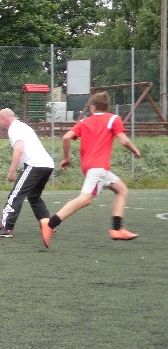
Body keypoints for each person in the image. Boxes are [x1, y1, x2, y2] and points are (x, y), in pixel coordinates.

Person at [41, 92, 141, 248]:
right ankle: (50, 224)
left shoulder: (84, 122)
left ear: (93, 107)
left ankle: (117, 229)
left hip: (93, 168)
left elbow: (66, 137)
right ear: (107, 107)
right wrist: (134, 150)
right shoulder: (113, 119)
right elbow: (123, 140)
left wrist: (66, 158)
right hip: (98, 168)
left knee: (121, 190)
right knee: (85, 199)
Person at [0, 108, 54, 238]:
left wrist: (11, 172)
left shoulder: (14, 128)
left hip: (35, 164)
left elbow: (18, 150)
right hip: (47, 165)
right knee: (34, 196)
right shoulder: (23, 126)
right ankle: (48, 225)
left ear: (4, 118)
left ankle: (6, 229)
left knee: (15, 195)